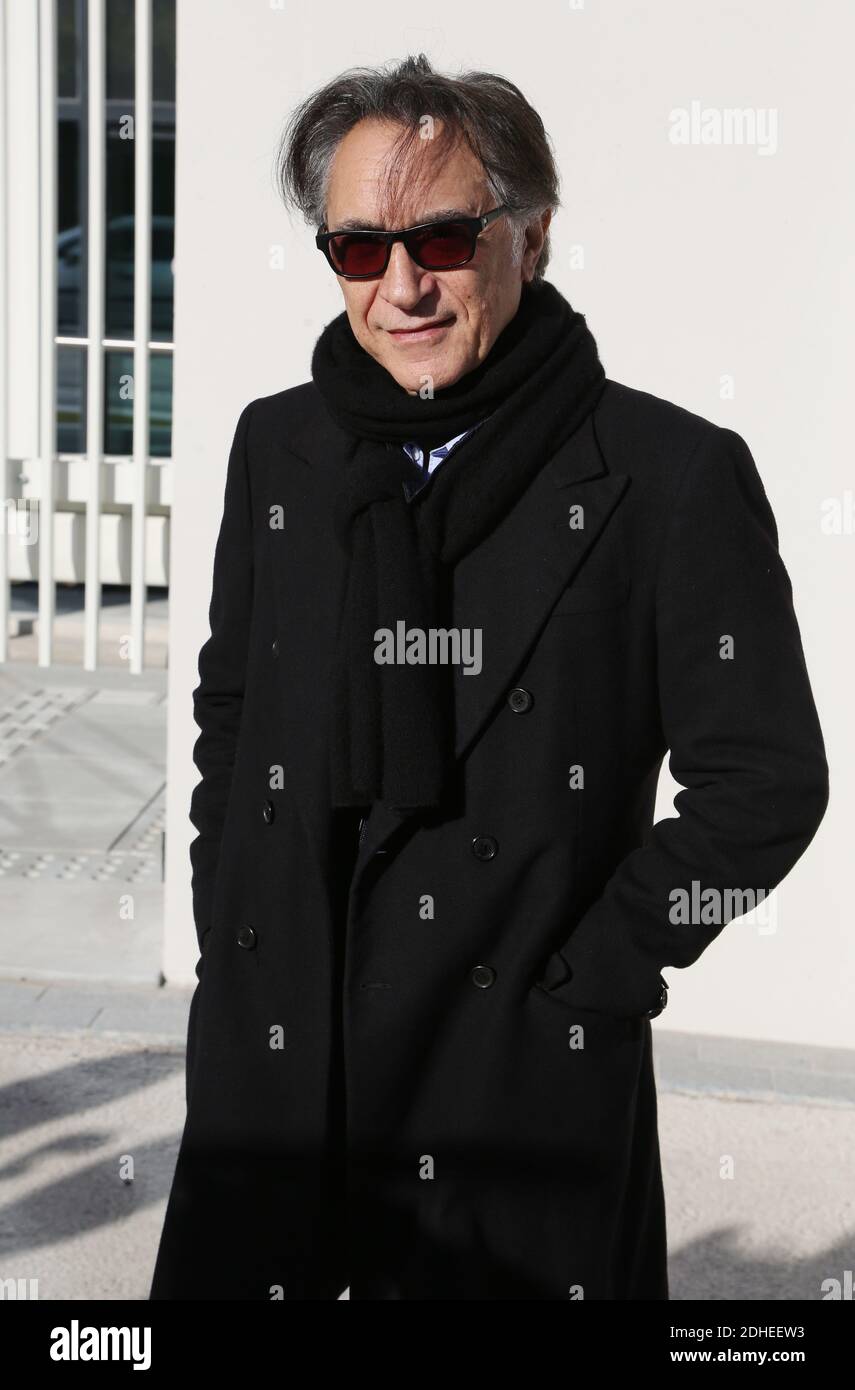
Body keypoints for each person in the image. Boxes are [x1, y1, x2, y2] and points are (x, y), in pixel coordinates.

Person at [149, 54, 828, 1301]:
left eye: (444, 238)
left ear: (535, 234)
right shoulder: (279, 447)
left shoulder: (668, 477)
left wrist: (598, 977)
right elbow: (232, 710)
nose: (401, 285)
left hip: (511, 1090)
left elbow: (766, 783)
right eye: (358, 248)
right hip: (276, 1072)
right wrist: (228, 923)